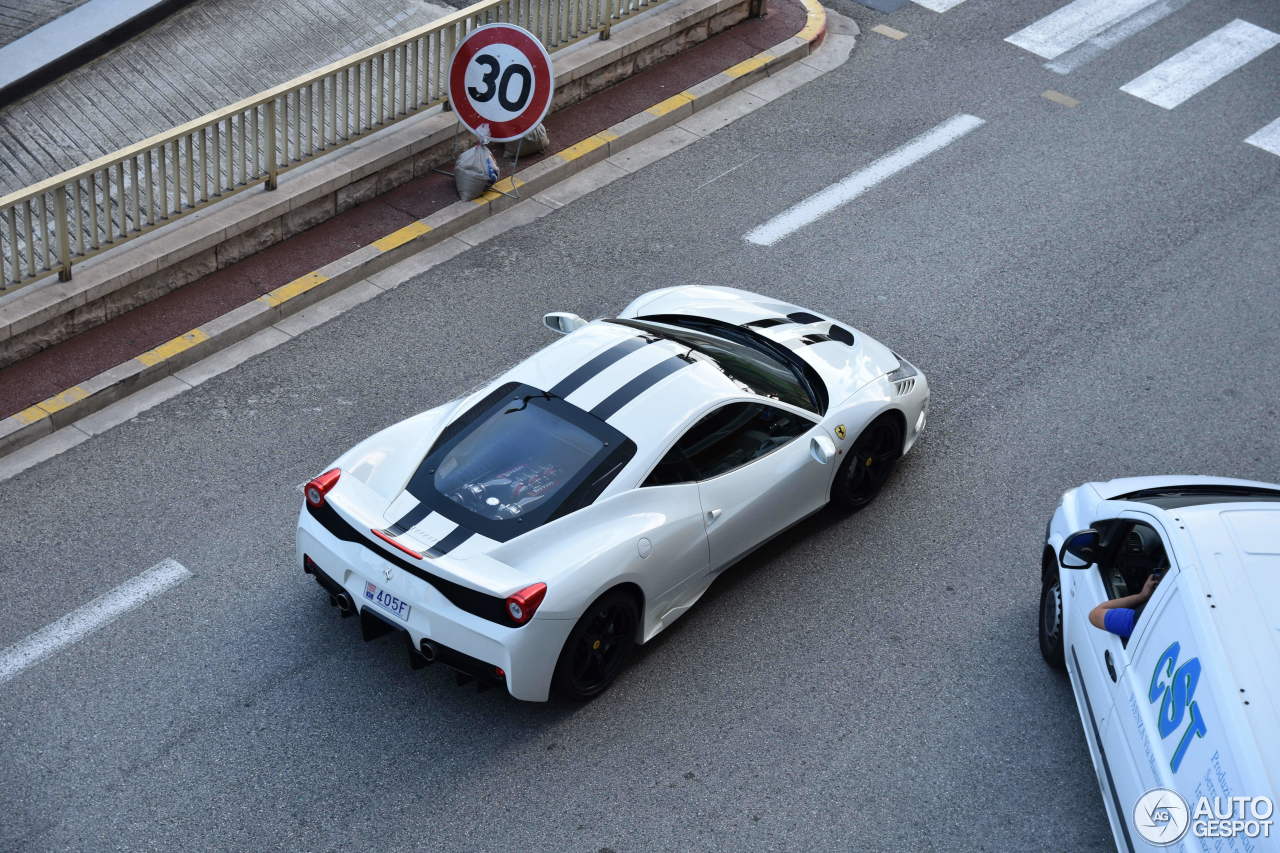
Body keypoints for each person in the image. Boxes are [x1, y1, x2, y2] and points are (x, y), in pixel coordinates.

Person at [1089, 572, 1162, 640]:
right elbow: (1095, 615)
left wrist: (1142, 596)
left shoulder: (1144, 624)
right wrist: (1142, 596)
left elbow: (1094, 616)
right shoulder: (1145, 623)